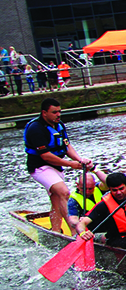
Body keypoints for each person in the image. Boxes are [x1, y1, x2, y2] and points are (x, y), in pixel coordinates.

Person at [25, 97, 93, 235]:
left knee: (56, 201)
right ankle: (76, 233)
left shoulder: (59, 125)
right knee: (64, 192)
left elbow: (67, 146)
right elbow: (45, 155)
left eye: (59, 111)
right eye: (54, 112)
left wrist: (79, 160)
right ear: (44, 113)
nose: (58, 115)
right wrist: (70, 164)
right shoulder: (36, 129)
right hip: (40, 168)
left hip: (55, 167)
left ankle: (55, 231)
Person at [76, 172, 126, 249]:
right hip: (117, 239)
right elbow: (82, 222)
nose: (119, 193)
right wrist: (82, 233)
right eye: (114, 190)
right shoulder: (103, 205)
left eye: (121, 189)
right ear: (109, 189)